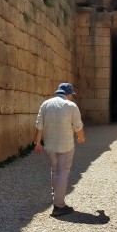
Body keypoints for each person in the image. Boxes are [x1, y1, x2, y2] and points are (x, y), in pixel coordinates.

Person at [34, 83, 85, 217]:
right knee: (63, 172)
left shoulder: (45, 104)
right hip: (66, 145)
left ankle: (56, 197)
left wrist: (37, 143)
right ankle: (59, 206)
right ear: (68, 94)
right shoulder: (71, 106)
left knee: (55, 170)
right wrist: (81, 138)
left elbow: (39, 125)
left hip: (50, 145)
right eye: (71, 95)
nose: (71, 97)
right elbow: (78, 126)